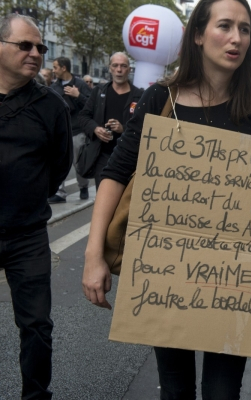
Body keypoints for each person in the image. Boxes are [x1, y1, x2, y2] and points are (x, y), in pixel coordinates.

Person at [81, 0, 251, 398]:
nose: (236, 38)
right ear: (197, 34)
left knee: (223, 391)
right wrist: (93, 254)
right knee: (175, 389)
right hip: (166, 273)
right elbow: (117, 173)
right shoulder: (160, 99)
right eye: (225, 26)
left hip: (235, 280)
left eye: (245, 29)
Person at [0, 14, 72, 399]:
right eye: (24, 45)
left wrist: (27, 195)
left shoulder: (51, 106)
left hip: (27, 234)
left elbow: (60, 164)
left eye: (40, 48)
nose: (35, 53)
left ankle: (35, 394)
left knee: (36, 326)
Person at [79, 52, 143, 189]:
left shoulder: (139, 96)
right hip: (103, 156)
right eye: (115, 65)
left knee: (123, 205)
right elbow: (84, 116)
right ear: (110, 68)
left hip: (129, 159)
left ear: (129, 69)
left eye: (123, 66)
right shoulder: (99, 92)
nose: (119, 70)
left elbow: (147, 128)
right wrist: (95, 129)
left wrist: (123, 129)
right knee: (104, 201)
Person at [48, 56, 92, 203]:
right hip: (60, 132)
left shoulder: (80, 84)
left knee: (79, 163)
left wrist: (78, 95)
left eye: (55, 67)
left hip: (77, 130)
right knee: (58, 162)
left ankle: (83, 187)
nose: (53, 71)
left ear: (63, 68)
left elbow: (91, 105)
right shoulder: (54, 87)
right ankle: (59, 193)